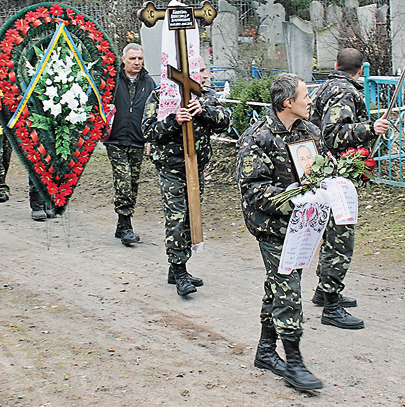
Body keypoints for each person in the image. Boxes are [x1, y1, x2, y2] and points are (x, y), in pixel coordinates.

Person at [236, 72, 326, 392]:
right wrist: (297, 203)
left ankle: (264, 352)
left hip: (303, 226)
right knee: (288, 287)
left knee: (278, 285)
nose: (310, 99)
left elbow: (321, 169)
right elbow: (255, 190)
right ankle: (295, 363)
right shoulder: (257, 137)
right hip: (272, 227)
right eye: (305, 96)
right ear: (288, 103)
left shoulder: (309, 130)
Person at [309, 47, 389, 329]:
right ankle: (331, 305)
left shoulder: (324, 87)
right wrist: (370, 128)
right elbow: (334, 134)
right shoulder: (344, 92)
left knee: (332, 233)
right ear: (359, 69)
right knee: (341, 236)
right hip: (335, 175)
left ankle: (324, 290)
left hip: (324, 171)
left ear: (335, 64)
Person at [142, 58, 229, 296]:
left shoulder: (207, 96)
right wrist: (173, 120)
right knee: (177, 218)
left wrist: (204, 112)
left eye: (204, 70)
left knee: (191, 217)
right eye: (200, 71)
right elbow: (148, 130)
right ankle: (179, 271)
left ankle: (177, 266)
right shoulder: (161, 96)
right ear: (186, 73)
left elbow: (226, 121)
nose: (205, 75)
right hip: (171, 167)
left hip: (196, 167)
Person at [104, 42, 155, 246]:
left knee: (132, 184)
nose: (136, 62)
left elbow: (153, 112)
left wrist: (150, 139)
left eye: (140, 59)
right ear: (123, 59)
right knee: (123, 180)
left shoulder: (148, 83)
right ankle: (126, 227)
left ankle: (121, 223)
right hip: (115, 139)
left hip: (137, 140)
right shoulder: (112, 81)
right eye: (132, 58)